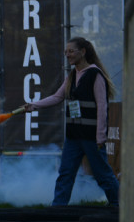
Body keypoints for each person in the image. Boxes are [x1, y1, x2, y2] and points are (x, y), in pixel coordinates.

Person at [23, 36, 119, 207]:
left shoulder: (95, 75)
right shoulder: (72, 76)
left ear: (83, 52)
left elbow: (103, 107)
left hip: (91, 138)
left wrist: (100, 137)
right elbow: (57, 97)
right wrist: (34, 105)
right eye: (66, 52)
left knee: (102, 175)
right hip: (73, 137)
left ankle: (118, 206)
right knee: (65, 174)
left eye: (71, 51)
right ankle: (58, 210)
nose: (67, 55)